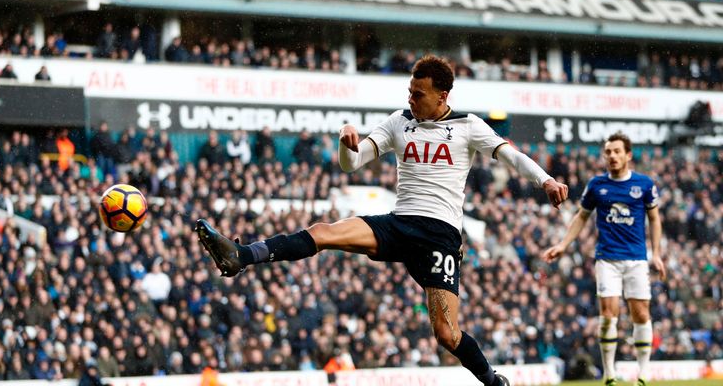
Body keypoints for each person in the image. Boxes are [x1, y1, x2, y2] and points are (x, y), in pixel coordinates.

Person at [196, 55, 569, 386]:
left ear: (442, 97)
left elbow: (511, 156)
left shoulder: (468, 126)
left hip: (440, 236)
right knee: (323, 232)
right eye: (409, 91)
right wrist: (347, 144)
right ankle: (241, 256)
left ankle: (491, 381)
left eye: (418, 93)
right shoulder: (398, 122)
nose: (410, 99)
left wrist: (546, 180)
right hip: (398, 223)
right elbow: (353, 163)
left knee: (447, 334)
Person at [542, 132, 665, 386]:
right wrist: (563, 245)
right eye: (608, 152)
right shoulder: (597, 185)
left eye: (617, 151)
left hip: (637, 259)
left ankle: (642, 373)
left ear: (628, 155)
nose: (612, 156)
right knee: (609, 314)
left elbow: (654, 219)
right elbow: (581, 216)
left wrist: (657, 254)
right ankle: (609, 373)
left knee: (641, 314)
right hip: (607, 259)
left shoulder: (644, 184)